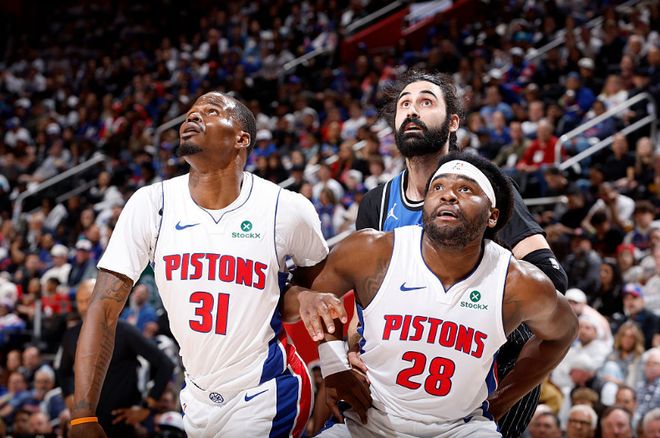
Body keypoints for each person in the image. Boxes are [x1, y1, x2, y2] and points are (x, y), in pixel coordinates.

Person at [70, 92, 328, 437]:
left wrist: (336, 366)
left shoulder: (287, 209)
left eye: (211, 111)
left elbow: (321, 288)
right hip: (196, 396)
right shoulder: (152, 204)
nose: (192, 116)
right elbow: (103, 308)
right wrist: (83, 414)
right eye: (191, 112)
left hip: (267, 389)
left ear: (241, 139)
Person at [290, 152, 577, 436]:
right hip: (369, 419)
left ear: (492, 216)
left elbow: (563, 333)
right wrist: (334, 364)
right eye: (438, 187)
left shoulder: (517, 282)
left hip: (461, 428)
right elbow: (310, 292)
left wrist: (503, 398)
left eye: (465, 189)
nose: (447, 195)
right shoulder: (373, 251)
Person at [354, 70, 568, 437]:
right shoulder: (378, 201)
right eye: (405, 104)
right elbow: (362, 298)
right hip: (401, 366)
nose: (412, 111)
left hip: (483, 364)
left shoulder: (484, 191)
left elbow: (550, 276)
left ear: (453, 122)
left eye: (426, 102)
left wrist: (471, 310)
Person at [59, 279, 175, 437]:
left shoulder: (124, 330)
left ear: (101, 300)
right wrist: (69, 398)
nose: (85, 306)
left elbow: (165, 364)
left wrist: (147, 407)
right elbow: (63, 371)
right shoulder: (71, 335)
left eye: (89, 300)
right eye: (81, 301)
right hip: (87, 421)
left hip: (121, 422)